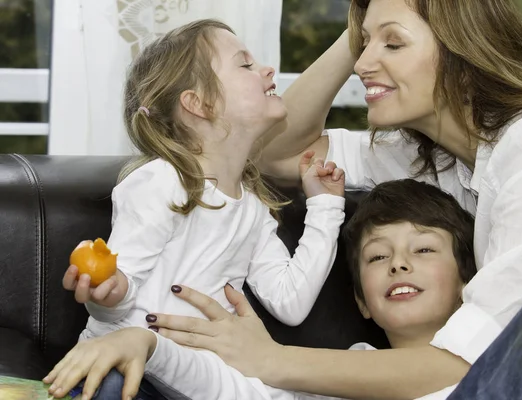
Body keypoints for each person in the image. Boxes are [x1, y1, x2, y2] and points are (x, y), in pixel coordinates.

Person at [50, 0, 522, 398]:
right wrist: (363, 22)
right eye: (364, 44)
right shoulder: (438, 158)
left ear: (461, 54)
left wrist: (272, 360)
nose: (362, 65)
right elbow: (274, 150)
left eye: (393, 43)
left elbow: (464, 363)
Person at [51, 18, 347, 399]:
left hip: (195, 379)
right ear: (199, 103)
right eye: (245, 64)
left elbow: (290, 303)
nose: (267, 70)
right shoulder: (161, 182)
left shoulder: (252, 210)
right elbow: (117, 303)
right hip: (128, 374)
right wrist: (109, 292)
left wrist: (325, 205)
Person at [45, 178, 479, 400]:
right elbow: (237, 392)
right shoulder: (338, 374)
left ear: (471, 282)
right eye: (378, 257)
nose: (399, 263)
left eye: (423, 249)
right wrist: (148, 343)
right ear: (361, 302)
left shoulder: (498, 348)